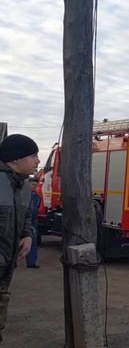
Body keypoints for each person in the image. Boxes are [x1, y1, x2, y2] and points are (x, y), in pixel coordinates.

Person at [0, 134, 39, 341]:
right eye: (33, 155)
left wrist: (27, 235)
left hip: (7, 266)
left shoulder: (23, 185)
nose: (38, 161)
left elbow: (26, 216)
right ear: (15, 158)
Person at [26, 177, 41, 268]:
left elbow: (37, 208)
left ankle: (31, 263)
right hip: (23, 220)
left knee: (33, 241)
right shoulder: (22, 195)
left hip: (33, 221)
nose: (34, 187)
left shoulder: (37, 197)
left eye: (35, 185)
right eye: (32, 185)